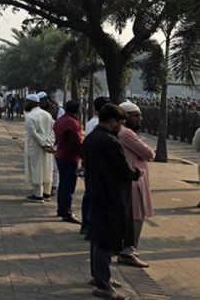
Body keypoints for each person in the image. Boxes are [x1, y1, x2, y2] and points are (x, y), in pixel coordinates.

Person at [84, 104, 142, 300]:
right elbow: (122, 169)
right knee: (105, 240)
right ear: (113, 121)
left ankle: (99, 276)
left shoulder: (91, 138)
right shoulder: (109, 141)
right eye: (120, 123)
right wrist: (136, 173)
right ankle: (103, 284)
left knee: (97, 237)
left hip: (96, 191)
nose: (121, 127)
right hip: (110, 195)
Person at [117, 101, 154, 268]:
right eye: (136, 115)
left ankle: (128, 248)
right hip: (134, 182)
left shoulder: (126, 132)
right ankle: (127, 251)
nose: (140, 118)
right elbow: (148, 153)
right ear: (125, 117)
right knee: (135, 217)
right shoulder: (126, 133)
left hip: (135, 180)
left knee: (136, 216)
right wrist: (150, 151)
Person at [81, 97, 112, 238]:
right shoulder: (98, 125)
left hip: (90, 163)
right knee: (94, 197)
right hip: (96, 165)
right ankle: (89, 226)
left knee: (89, 195)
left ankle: (86, 225)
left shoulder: (90, 122)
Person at [53, 100, 83, 223]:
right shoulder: (72, 123)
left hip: (60, 154)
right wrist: (84, 156)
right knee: (69, 186)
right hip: (69, 157)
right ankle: (67, 212)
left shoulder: (61, 120)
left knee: (63, 184)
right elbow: (77, 142)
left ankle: (61, 208)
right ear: (77, 110)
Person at [23, 94, 56, 202]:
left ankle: (38, 195)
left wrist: (43, 144)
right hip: (47, 147)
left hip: (35, 147)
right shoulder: (47, 115)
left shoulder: (30, 116)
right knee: (47, 169)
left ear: (32, 103)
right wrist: (48, 143)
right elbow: (53, 131)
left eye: (26, 102)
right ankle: (46, 193)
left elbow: (34, 134)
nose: (25, 104)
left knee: (36, 169)